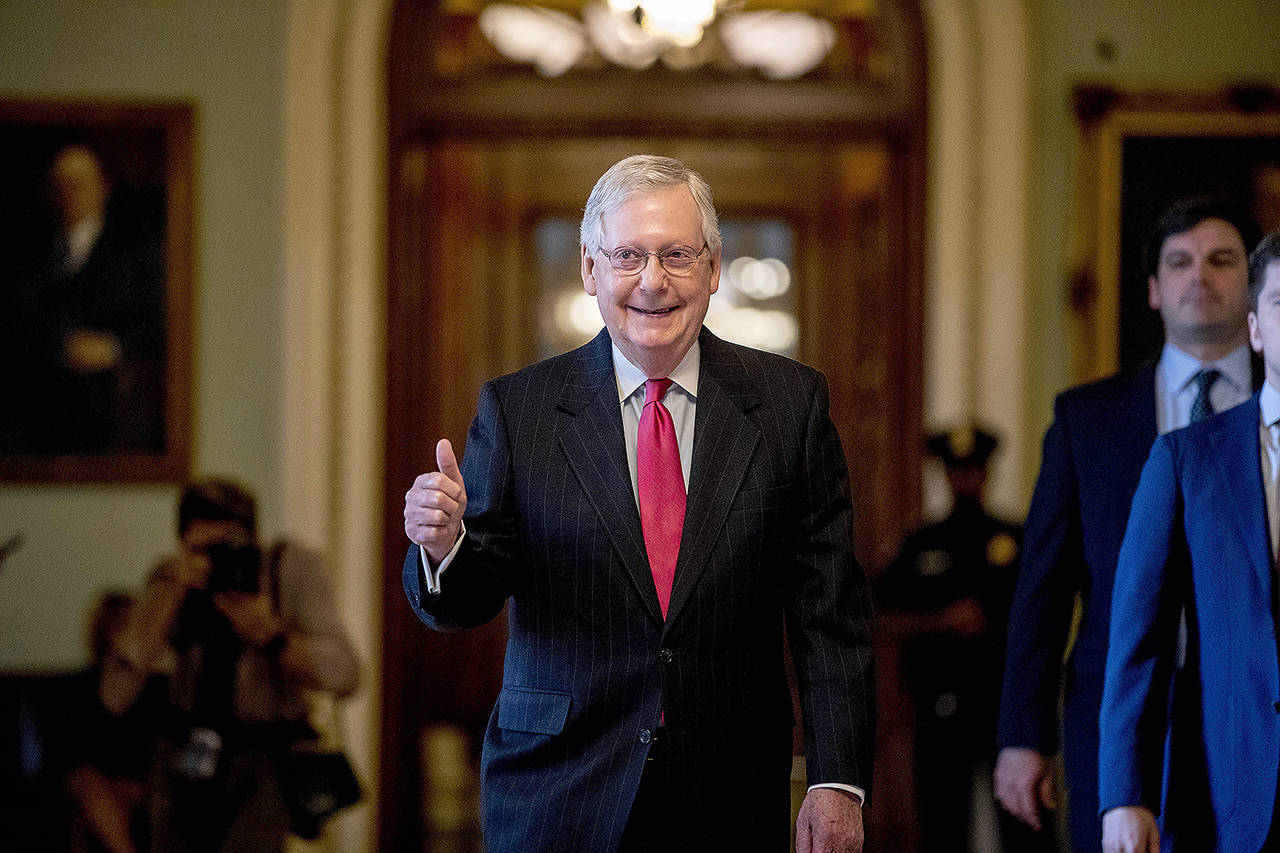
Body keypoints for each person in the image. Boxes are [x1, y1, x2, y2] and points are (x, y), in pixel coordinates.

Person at [402, 154, 874, 852]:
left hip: (732, 794)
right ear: (591, 271)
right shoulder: (520, 408)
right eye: (628, 256)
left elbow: (827, 611)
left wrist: (837, 779)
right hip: (558, 789)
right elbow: (471, 592)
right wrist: (444, 548)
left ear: (714, 269)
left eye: (677, 255)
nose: (653, 280)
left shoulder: (788, 404)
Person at [994, 197, 1261, 850]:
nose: (1200, 276)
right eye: (1180, 262)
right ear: (1153, 288)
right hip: (1117, 725)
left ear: (1253, 286)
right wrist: (1023, 734)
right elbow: (1043, 589)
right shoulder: (1089, 419)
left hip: (1254, 720)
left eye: (1222, 259)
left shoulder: (1274, 410)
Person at [1098, 232, 1280, 852]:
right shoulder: (1188, 458)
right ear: (1255, 328)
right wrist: (1125, 794)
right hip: (1234, 791)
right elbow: (1139, 639)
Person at [99, 479, 360, 853]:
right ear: (182, 544)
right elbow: (115, 693)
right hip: (185, 756)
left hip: (265, 760)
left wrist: (273, 636)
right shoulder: (173, 579)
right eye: (204, 549)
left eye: (230, 547)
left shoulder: (288, 569)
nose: (218, 562)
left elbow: (347, 674)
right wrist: (171, 592)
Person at [878, 427, 1051, 852]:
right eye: (957, 471)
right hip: (940, 709)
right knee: (942, 827)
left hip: (1004, 707)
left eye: (974, 470)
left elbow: (1042, 618)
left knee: (1024, 827)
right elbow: (881, 617)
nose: (966, 479)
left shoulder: (1014, 538)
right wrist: (942, 620)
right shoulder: (919, 542)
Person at [8, 143, 165, 453]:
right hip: (35, 405)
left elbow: (156, 320)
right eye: (60, 184)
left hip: (109, 406)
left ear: (103, 187)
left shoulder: (134, 250)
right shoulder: (25, 249)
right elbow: (16, 318)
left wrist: (114, 347)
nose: (69, 193)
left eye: (80, 183)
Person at [61, 591, 166, 853]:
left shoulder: (163, 689)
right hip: (97, 781)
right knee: (90, 787)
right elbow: (69, 751)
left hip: (149, 782)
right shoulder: (75, 687)